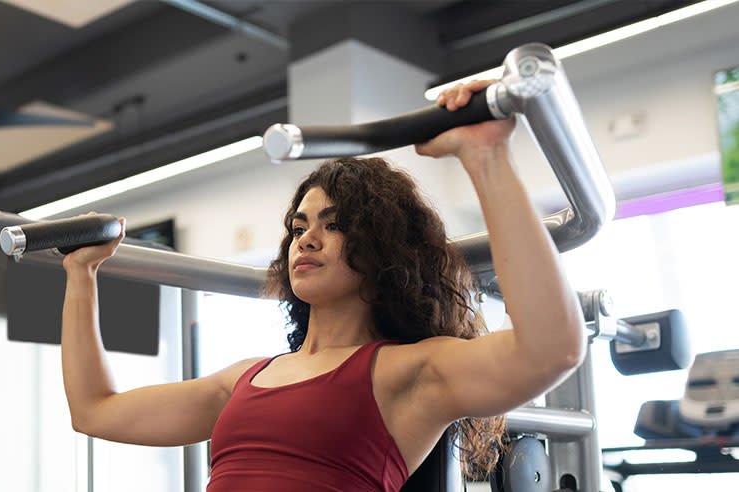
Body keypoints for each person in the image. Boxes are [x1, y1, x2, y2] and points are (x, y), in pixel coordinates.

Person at [59, 79, 586, 491]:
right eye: (299, 226)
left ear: (383, 250)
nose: (306, 239)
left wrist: (485, 155)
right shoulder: (244, 379)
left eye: (334, 225)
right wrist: (81, 275)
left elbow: (551, 351)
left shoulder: (408, 372)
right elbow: (95, 410)